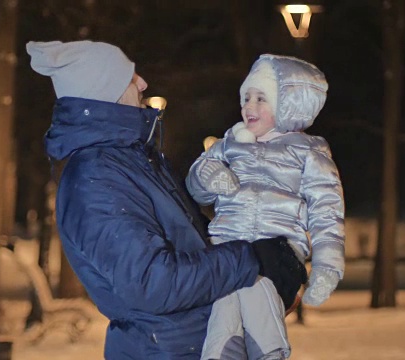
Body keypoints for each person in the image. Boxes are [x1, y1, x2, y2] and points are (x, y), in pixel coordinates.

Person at [26, 41, 307, 360]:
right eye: (130, 76)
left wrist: (263, 262)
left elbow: (190, 247)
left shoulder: (131, 162)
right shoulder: (96, 179)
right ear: (105, 88)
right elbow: (151, 283)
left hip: (191, 344)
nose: (143, 82)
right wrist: (251, 258)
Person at [186, 54, 345, 360]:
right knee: (225, 297)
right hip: (226, 246)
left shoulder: (308, 154)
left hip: (278, 253)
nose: (249, 106)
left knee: (253, 278)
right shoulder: (229, 145)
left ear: (288, 104)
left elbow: (327, 211)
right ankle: (220, 353)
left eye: (261, 98)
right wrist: (209, 176)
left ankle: (269, 350)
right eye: (246, 97)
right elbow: (195, 187)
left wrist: (327, 266)